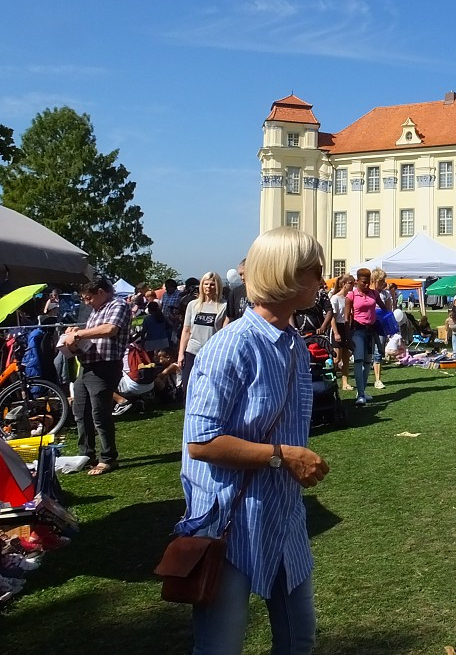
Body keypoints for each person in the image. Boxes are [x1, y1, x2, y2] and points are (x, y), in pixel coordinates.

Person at [178, 226, 329, 654]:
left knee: (299, 639)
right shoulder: (233, 346)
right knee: (219, 648)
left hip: (283, 516)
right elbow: (202, 442)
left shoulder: (294, 343)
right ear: (287, 275)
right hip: (231, 520)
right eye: (314, 270)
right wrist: (285, 456)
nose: (322, 279)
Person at [61, 278, 132, 476]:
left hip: (105, 366)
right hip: (87, 365)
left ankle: (108, 458)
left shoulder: (118, 305)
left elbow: (110, 330)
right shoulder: (96, 311)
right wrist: (76, 334)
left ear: (101, 292)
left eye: (88, 298)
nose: (87, 302)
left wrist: (79, 334)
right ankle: (86, 454)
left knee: (100, 413)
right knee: (81, 411)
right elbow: (91, 334)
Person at [178, 272, 226, 397]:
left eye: (212, 284)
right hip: (192, 351)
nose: (208, 287)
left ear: (218, 286)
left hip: (212, 353)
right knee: (188, 387)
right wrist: (181, 354)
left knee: (209, 390)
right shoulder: (193, 305)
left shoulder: (224, 306)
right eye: (206, 284)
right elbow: (186, 330)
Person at [346, 268, 378, 404]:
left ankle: (362, 392)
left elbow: (385, 308)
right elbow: (346, 317)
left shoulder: (373, 293)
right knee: (358, 361)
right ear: (357, 281)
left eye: (368, 282)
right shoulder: (351, 296)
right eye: (364, 282)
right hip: (357, 330)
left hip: (371, 331)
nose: (366, 285)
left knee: (367, 362)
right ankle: (360, 394)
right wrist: (347, 337)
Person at [329, 275, 354, 391]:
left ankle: (345, 383)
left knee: (346, 357)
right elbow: (332, 317)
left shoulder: (349, 298)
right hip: (337, 327)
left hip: (346, 327)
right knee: (337, 358)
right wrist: (336, 333)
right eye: (350, 283)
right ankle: (331, 379)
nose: (352, 285)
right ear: (344, 284)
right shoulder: (335, 298)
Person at [223, 258, 251, 325]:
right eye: (240, 275)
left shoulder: (264, 293)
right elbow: (229, 318)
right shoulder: (235, 293)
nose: (242, 278)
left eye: (245, 274)